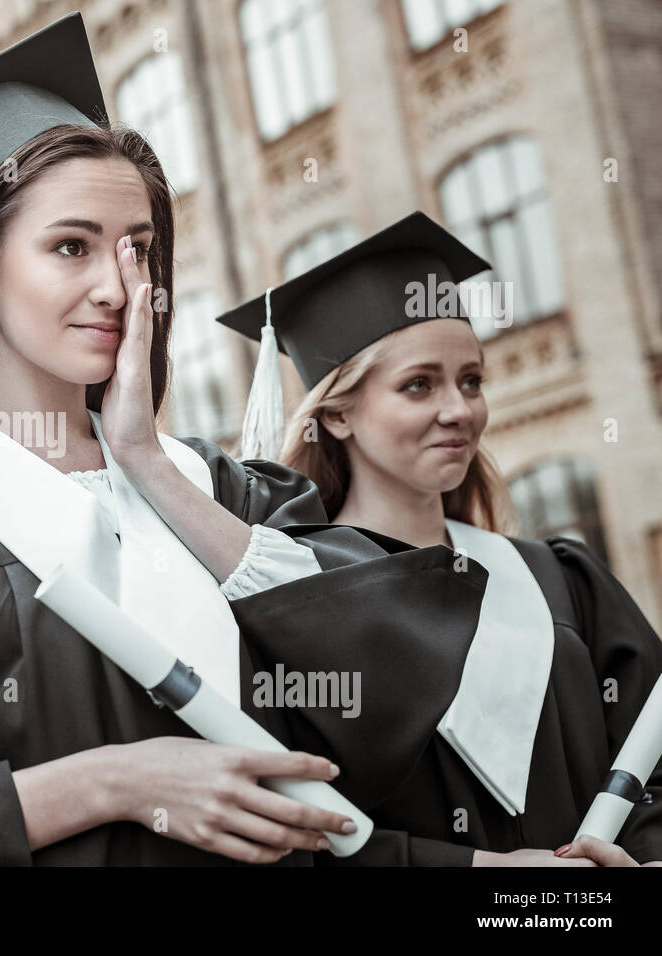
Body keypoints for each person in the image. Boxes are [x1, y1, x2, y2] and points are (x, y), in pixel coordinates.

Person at [0, 14, 488, 866]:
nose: (117, 288)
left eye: (139, 249)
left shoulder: (217, 488)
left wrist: (147, 461)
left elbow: (377, 687)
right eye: (70, 247)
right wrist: (119, 782)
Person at [219, 210, 662, 867]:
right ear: (336, 414)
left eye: (472, 380)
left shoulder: (558, 581)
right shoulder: (291, 600)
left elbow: (651, 767)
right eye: (419, 384)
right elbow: (302, 831)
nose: (458, 410)